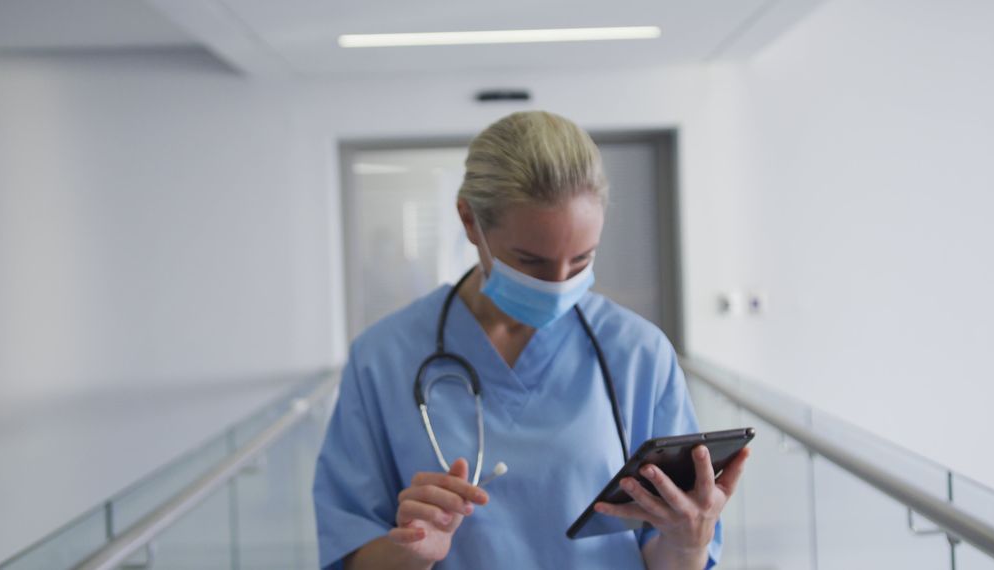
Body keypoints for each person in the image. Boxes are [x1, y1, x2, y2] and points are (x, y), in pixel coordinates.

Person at [313, 110, 749, 570]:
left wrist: (688, 542)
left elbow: (670, 558)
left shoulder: (639, 354)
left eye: (581, 261)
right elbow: (350, 552)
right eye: (531, 262)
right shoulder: (383, 358)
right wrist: (409, 552)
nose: (558, 283)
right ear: (468, 221)